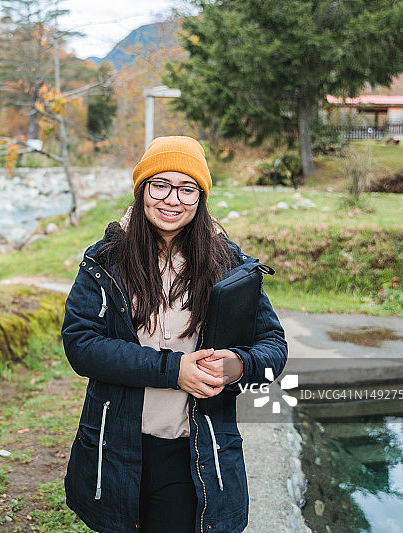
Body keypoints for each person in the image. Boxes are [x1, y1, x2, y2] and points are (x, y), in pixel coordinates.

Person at [61, 136, 288, 533]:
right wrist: (173, 370)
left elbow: (273, 346)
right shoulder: (105, 260)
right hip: (116, 444)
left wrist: (236, 365)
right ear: (141, 190)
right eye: (160, 185)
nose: (172, 199)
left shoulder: (229, 265)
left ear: (200, 197)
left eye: (187, 188)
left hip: (193, 448)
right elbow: (81, 344)